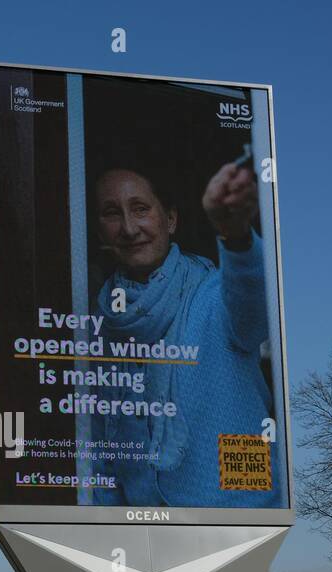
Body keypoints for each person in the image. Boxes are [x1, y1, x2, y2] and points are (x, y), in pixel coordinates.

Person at [88, 160, 284, 509]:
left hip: (233, 521)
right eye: (111, 213)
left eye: (141, 209)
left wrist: (236, 237)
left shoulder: (215, 294)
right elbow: (103, 444)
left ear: (171, 220)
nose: (129, 228)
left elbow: (255, 312)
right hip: (138, 529)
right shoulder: (101, 320)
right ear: (99, 230)